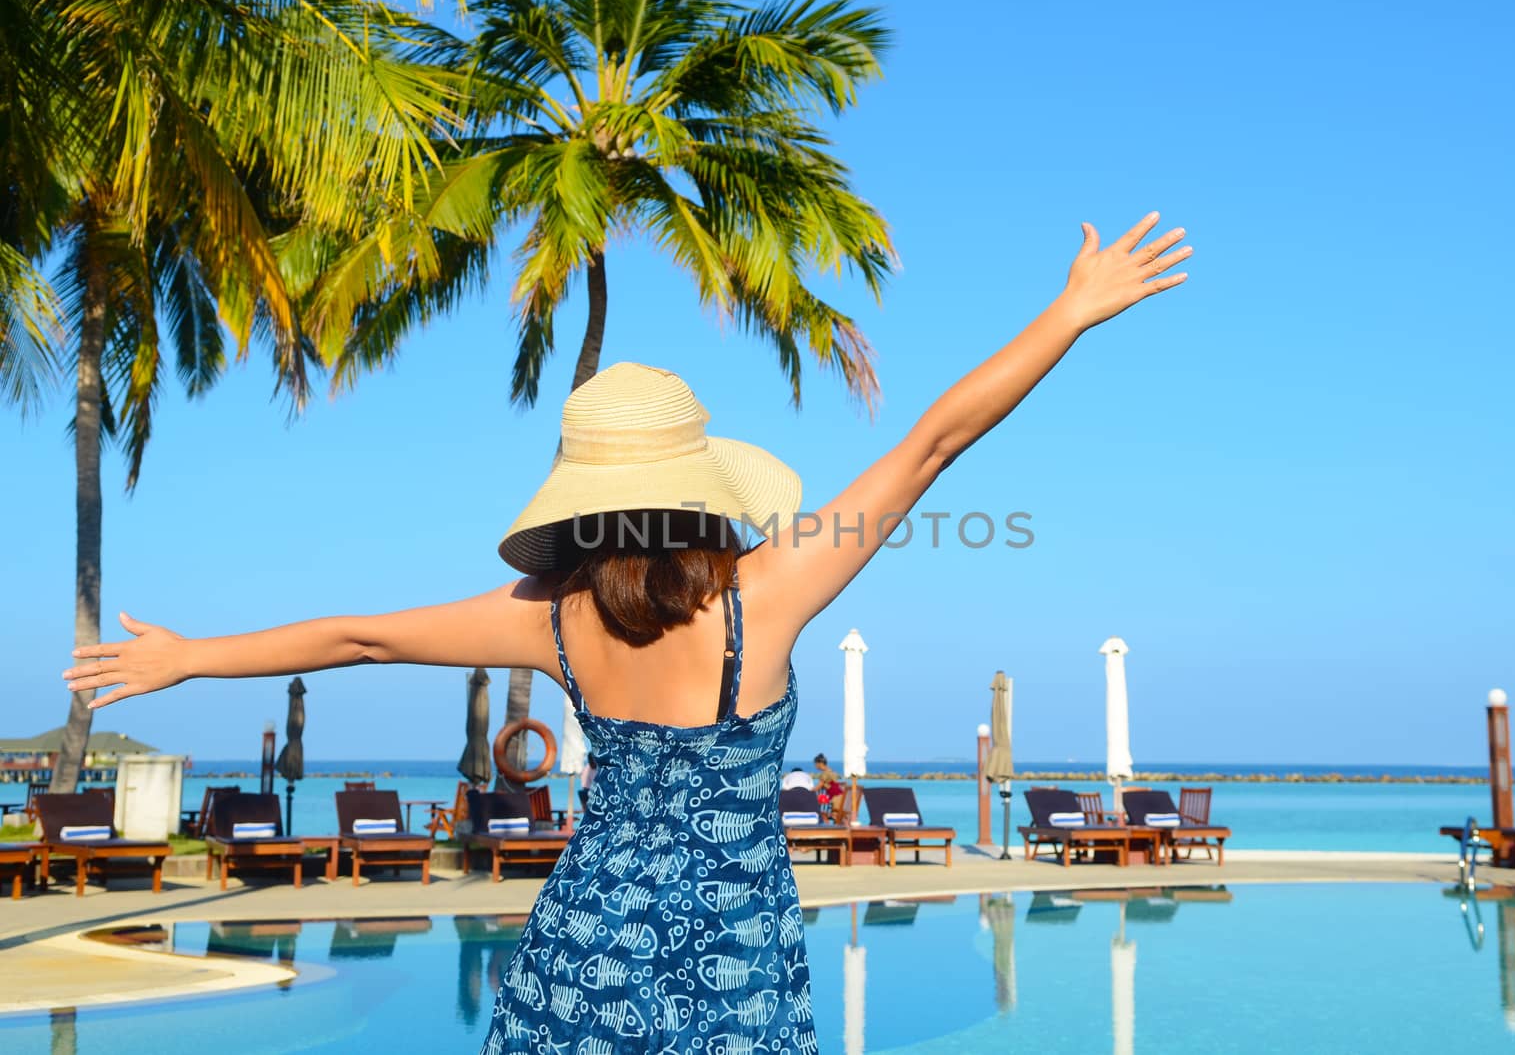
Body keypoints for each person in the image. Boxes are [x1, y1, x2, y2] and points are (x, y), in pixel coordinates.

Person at [60, 214, 1189, 1052]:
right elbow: (935, 441)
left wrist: (189, 656)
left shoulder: (552, 619)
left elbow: (360, 638)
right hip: (733, 971)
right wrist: (1071, 310)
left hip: (579, 950)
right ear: (705, 492)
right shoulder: (769, 593)